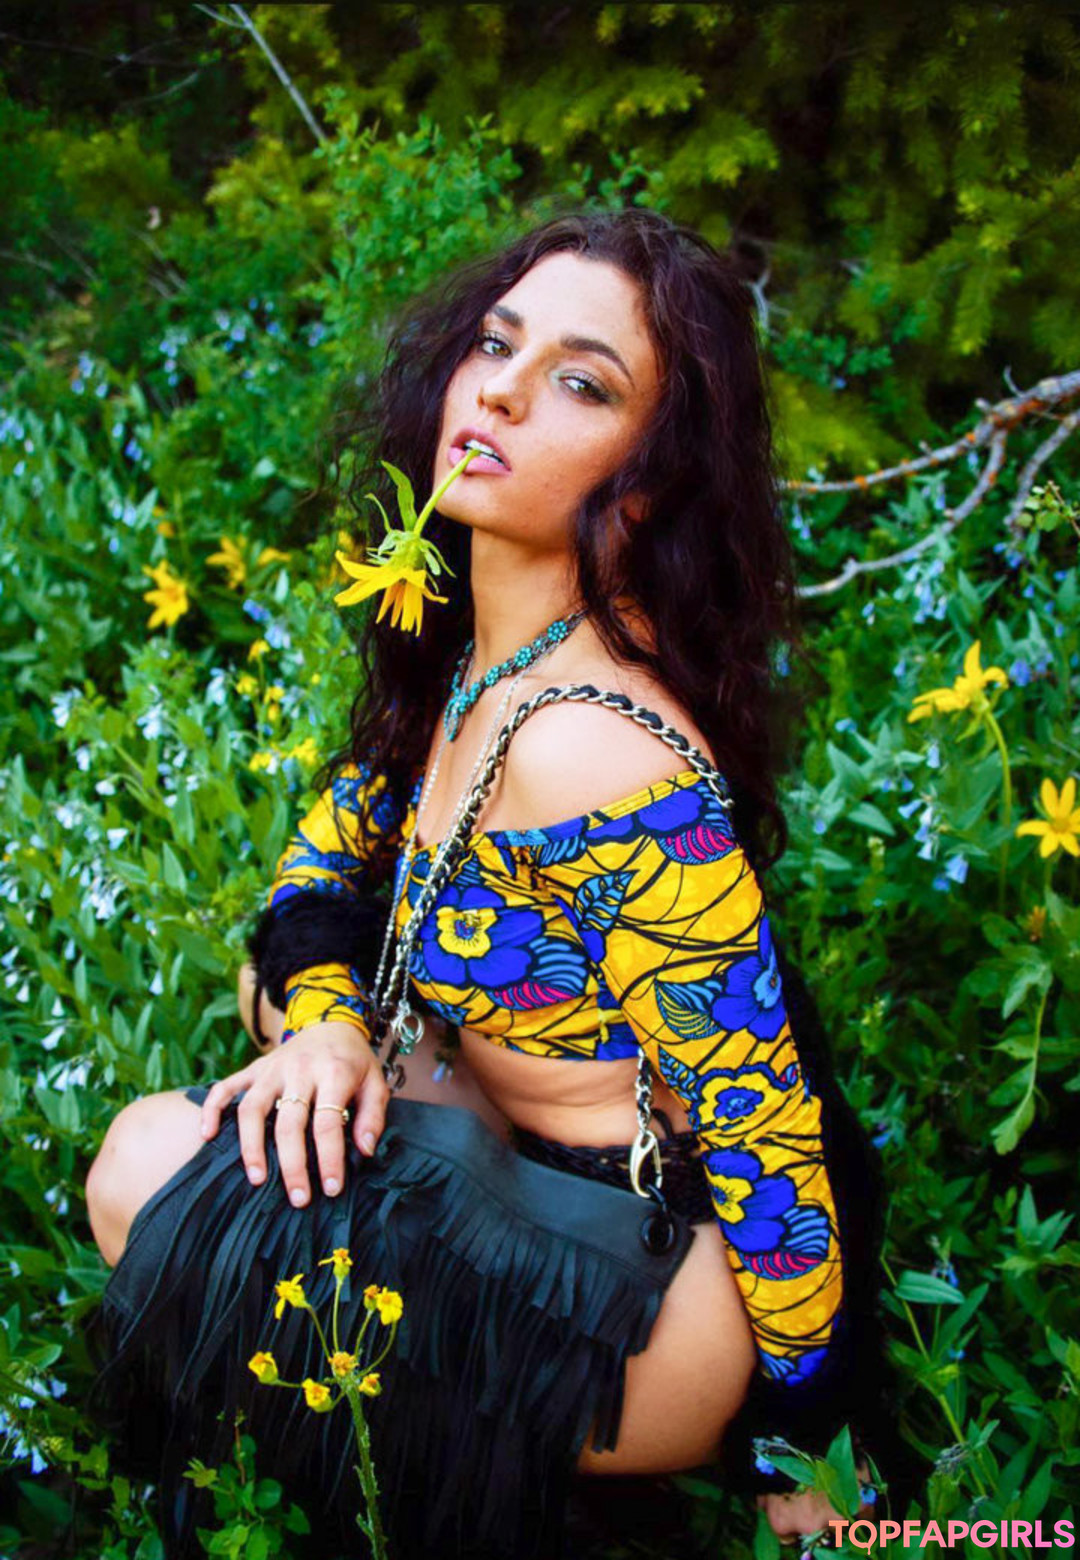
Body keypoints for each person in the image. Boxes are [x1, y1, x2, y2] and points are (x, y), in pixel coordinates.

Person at [86, 208, 886, 1558]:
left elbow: (764, 1128)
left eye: (582, 383)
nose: (502, 391)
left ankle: (506, 1487)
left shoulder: (594, 747)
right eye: (497, 345)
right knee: (277, 1034)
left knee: (143, 1169)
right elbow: (315, 869)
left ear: (652, 476)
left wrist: (808, 1430)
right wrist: (329, 1026)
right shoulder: (473, 647)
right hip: (507, 1150)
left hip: (632, 1281)